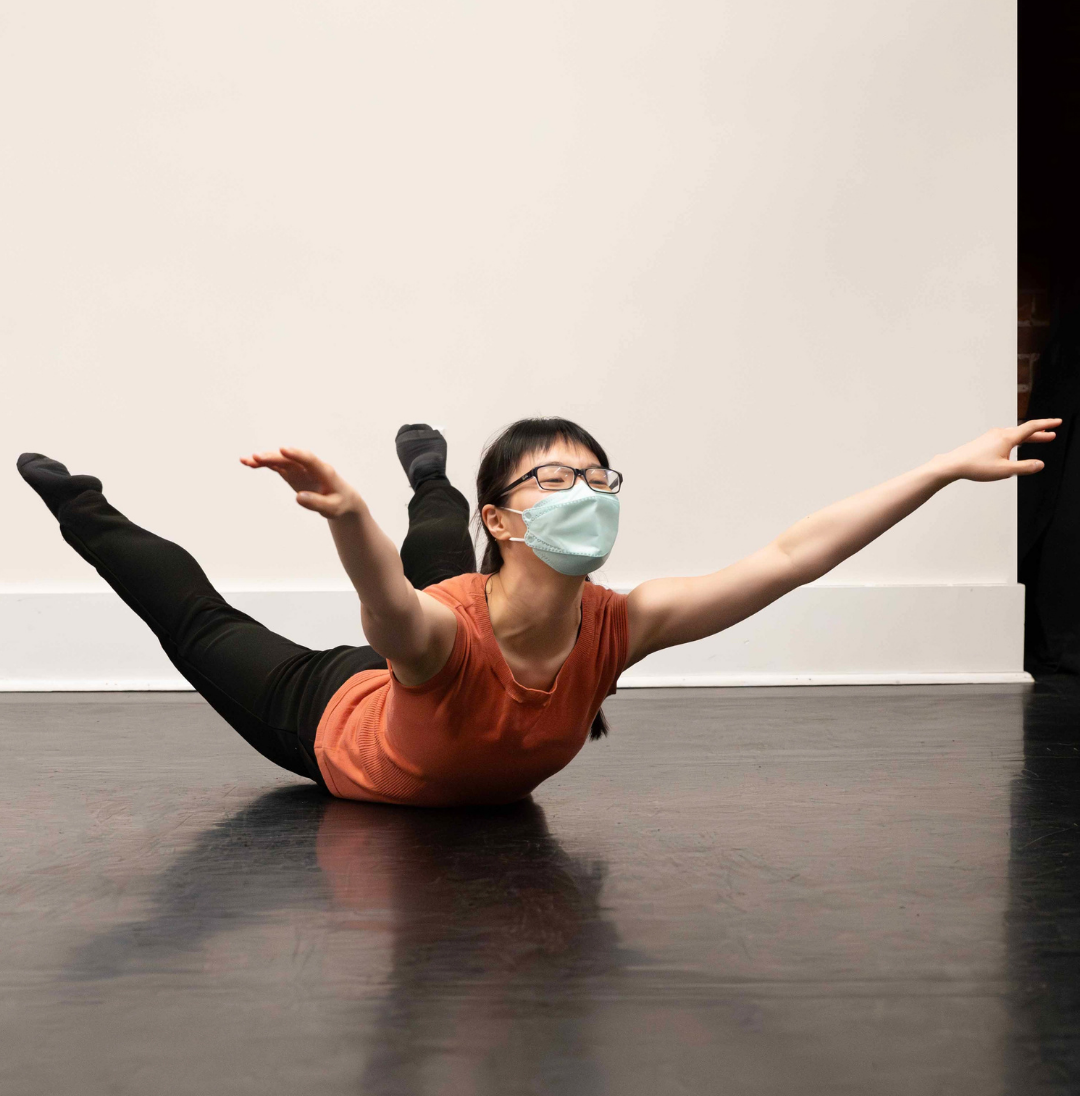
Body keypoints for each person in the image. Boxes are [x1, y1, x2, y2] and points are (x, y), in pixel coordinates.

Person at [17, 414, 1060, 806]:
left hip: (438, 636)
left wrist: (937, 469)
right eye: (557, 483)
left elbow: (791, 556)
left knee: (437, 573)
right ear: (507, 520)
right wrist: (345, 516)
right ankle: (80, 503)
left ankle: (429, 473)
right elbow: (388, 609)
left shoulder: (620, 624)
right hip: (333, 717)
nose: (589, 496)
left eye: (599, 479)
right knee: (204, 626)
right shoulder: (440, 631)